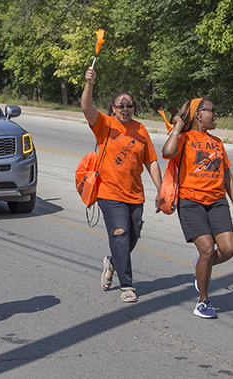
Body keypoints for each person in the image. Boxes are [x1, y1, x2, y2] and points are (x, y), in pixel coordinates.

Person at [81, 67, 162, 303]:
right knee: (120, 234)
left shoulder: (140, 129)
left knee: (132, 237)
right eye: (120, 106)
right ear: (113, 109)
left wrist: (162, 189)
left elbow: (152, 162)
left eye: (129, 106)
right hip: (109, 192)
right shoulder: (104, 124)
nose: (125, 109)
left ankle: (113, 262)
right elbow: (86, 107)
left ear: (133, 108)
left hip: (135, 194)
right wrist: (89, 83)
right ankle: (127, 285)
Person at [162, 98, 233, 319]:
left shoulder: (217, 142)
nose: (215, 115)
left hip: (217, 201)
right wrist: (178, 128)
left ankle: (201, 266)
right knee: (207, 249)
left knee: (229, 249)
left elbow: (227, 175)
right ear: (198, 114)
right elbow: (168, 152)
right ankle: (203, 302)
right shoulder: (184, 138)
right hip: (191, 202)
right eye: (212, 110)